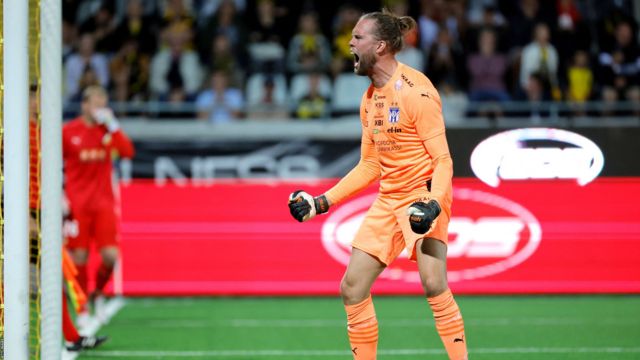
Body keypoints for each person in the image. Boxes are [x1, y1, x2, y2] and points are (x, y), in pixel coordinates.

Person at [288, 9, 467, 360]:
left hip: (423, 194)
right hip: (389, 198)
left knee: (433, 284)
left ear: (380, 46)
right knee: (352, 288)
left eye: (357, 38)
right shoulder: (369, 99)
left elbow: (443, 159)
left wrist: (432, 203)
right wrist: (321, 202)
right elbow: (370, 164)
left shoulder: (417, 91)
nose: (349, 44)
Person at [63, 85, 135, 322]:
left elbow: (127, 152)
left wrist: (113, 125)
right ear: (84, 105)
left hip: (104, 202)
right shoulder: (69, 131)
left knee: (111, 257)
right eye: (95, 103)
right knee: (79, 258)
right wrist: (59, 194)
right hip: (77, 203)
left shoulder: (108, 132)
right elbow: (51, 161)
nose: (99, 108)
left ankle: (98, 293)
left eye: (103, 103)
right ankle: (82, 307)